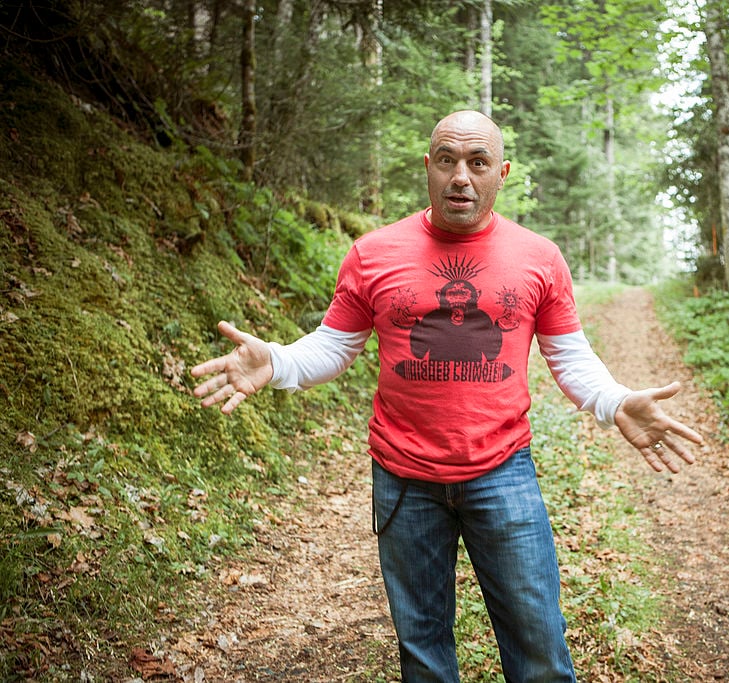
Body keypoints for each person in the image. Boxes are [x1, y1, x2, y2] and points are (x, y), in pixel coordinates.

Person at [191, 110, 703, 682]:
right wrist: (277, 361)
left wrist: (614, 400)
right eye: (448, 161)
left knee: (538, 647)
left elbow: (570, 358)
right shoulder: (373, 254)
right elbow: (334, 347)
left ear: (500, 173)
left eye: (478, 163)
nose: (462, 176)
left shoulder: (540, 258)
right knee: (424, 650)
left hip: (503, 471)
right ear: (428, 168)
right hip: (403, 477)